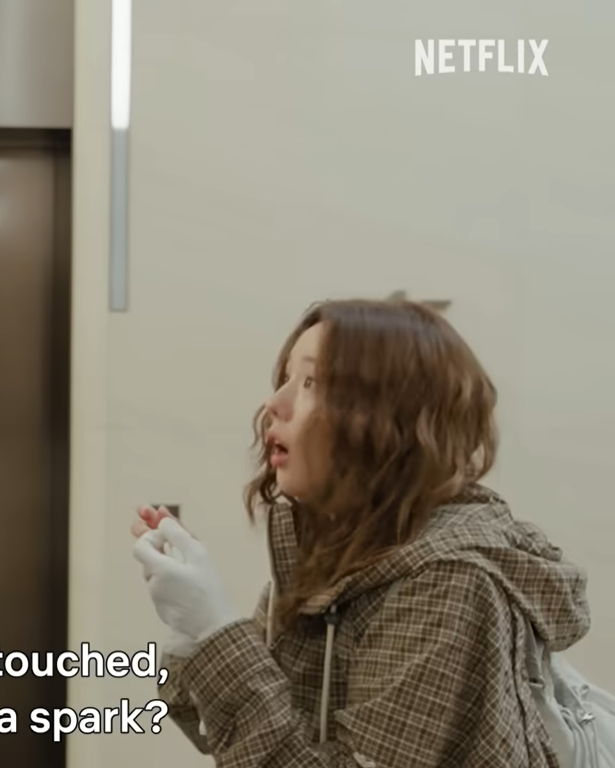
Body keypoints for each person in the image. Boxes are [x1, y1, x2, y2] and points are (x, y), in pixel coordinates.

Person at [130, 299, 590, 767]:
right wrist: (193, 631)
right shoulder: (328, 550)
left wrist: (214, 629)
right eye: (285, 378)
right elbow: (245, 734)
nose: (274, 404)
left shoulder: (448, 581)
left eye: (310, 383)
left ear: (390, 419)